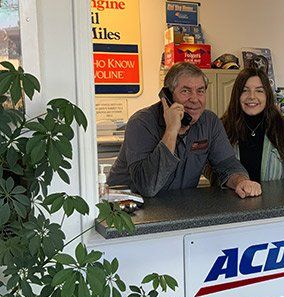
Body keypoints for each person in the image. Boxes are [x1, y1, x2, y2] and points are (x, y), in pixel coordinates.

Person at [107, 63, 261, 198]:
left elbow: (226, 164)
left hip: (177, 208)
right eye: (186, 91)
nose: (195, 99)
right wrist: (172, 130)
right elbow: (148, 186)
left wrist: (241, 181)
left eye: (200, 91)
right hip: (127, 211)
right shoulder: (141, 123)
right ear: (167, 96)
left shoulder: (209, 122)